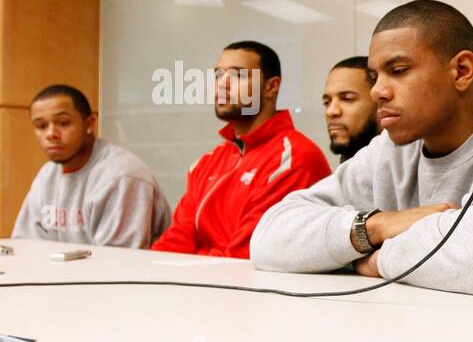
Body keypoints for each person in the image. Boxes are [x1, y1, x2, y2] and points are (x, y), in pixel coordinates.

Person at [250, 0, 473, 294]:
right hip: (437, 339)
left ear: (461, 71)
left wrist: (373, 260)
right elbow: (269, 238)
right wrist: (374, 227)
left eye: (398, 70)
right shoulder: (392, 149)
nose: (378, 90)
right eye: (375, 76)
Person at [151, 41, 330, 258]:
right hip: (199, 284)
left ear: (271, 87)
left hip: (248, 288)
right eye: (218, 75)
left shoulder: (294, 158)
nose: (222, 85)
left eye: (237, 76)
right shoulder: (208, 161)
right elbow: (177, 240)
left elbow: (246, 256)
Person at [12, 84, 171, 247]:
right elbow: (25, 248)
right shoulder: (46, 175)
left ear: (89, 124)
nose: (51, 134)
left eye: (63, 123)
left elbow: (117, 263)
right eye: (41, 126)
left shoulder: (122, 175)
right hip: (68, 272)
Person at [322, 56, 379, 162]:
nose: (331, 111)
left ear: (380, 103)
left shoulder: (405, 169)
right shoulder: (347, 169)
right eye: (327, 102)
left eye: (347, 99)